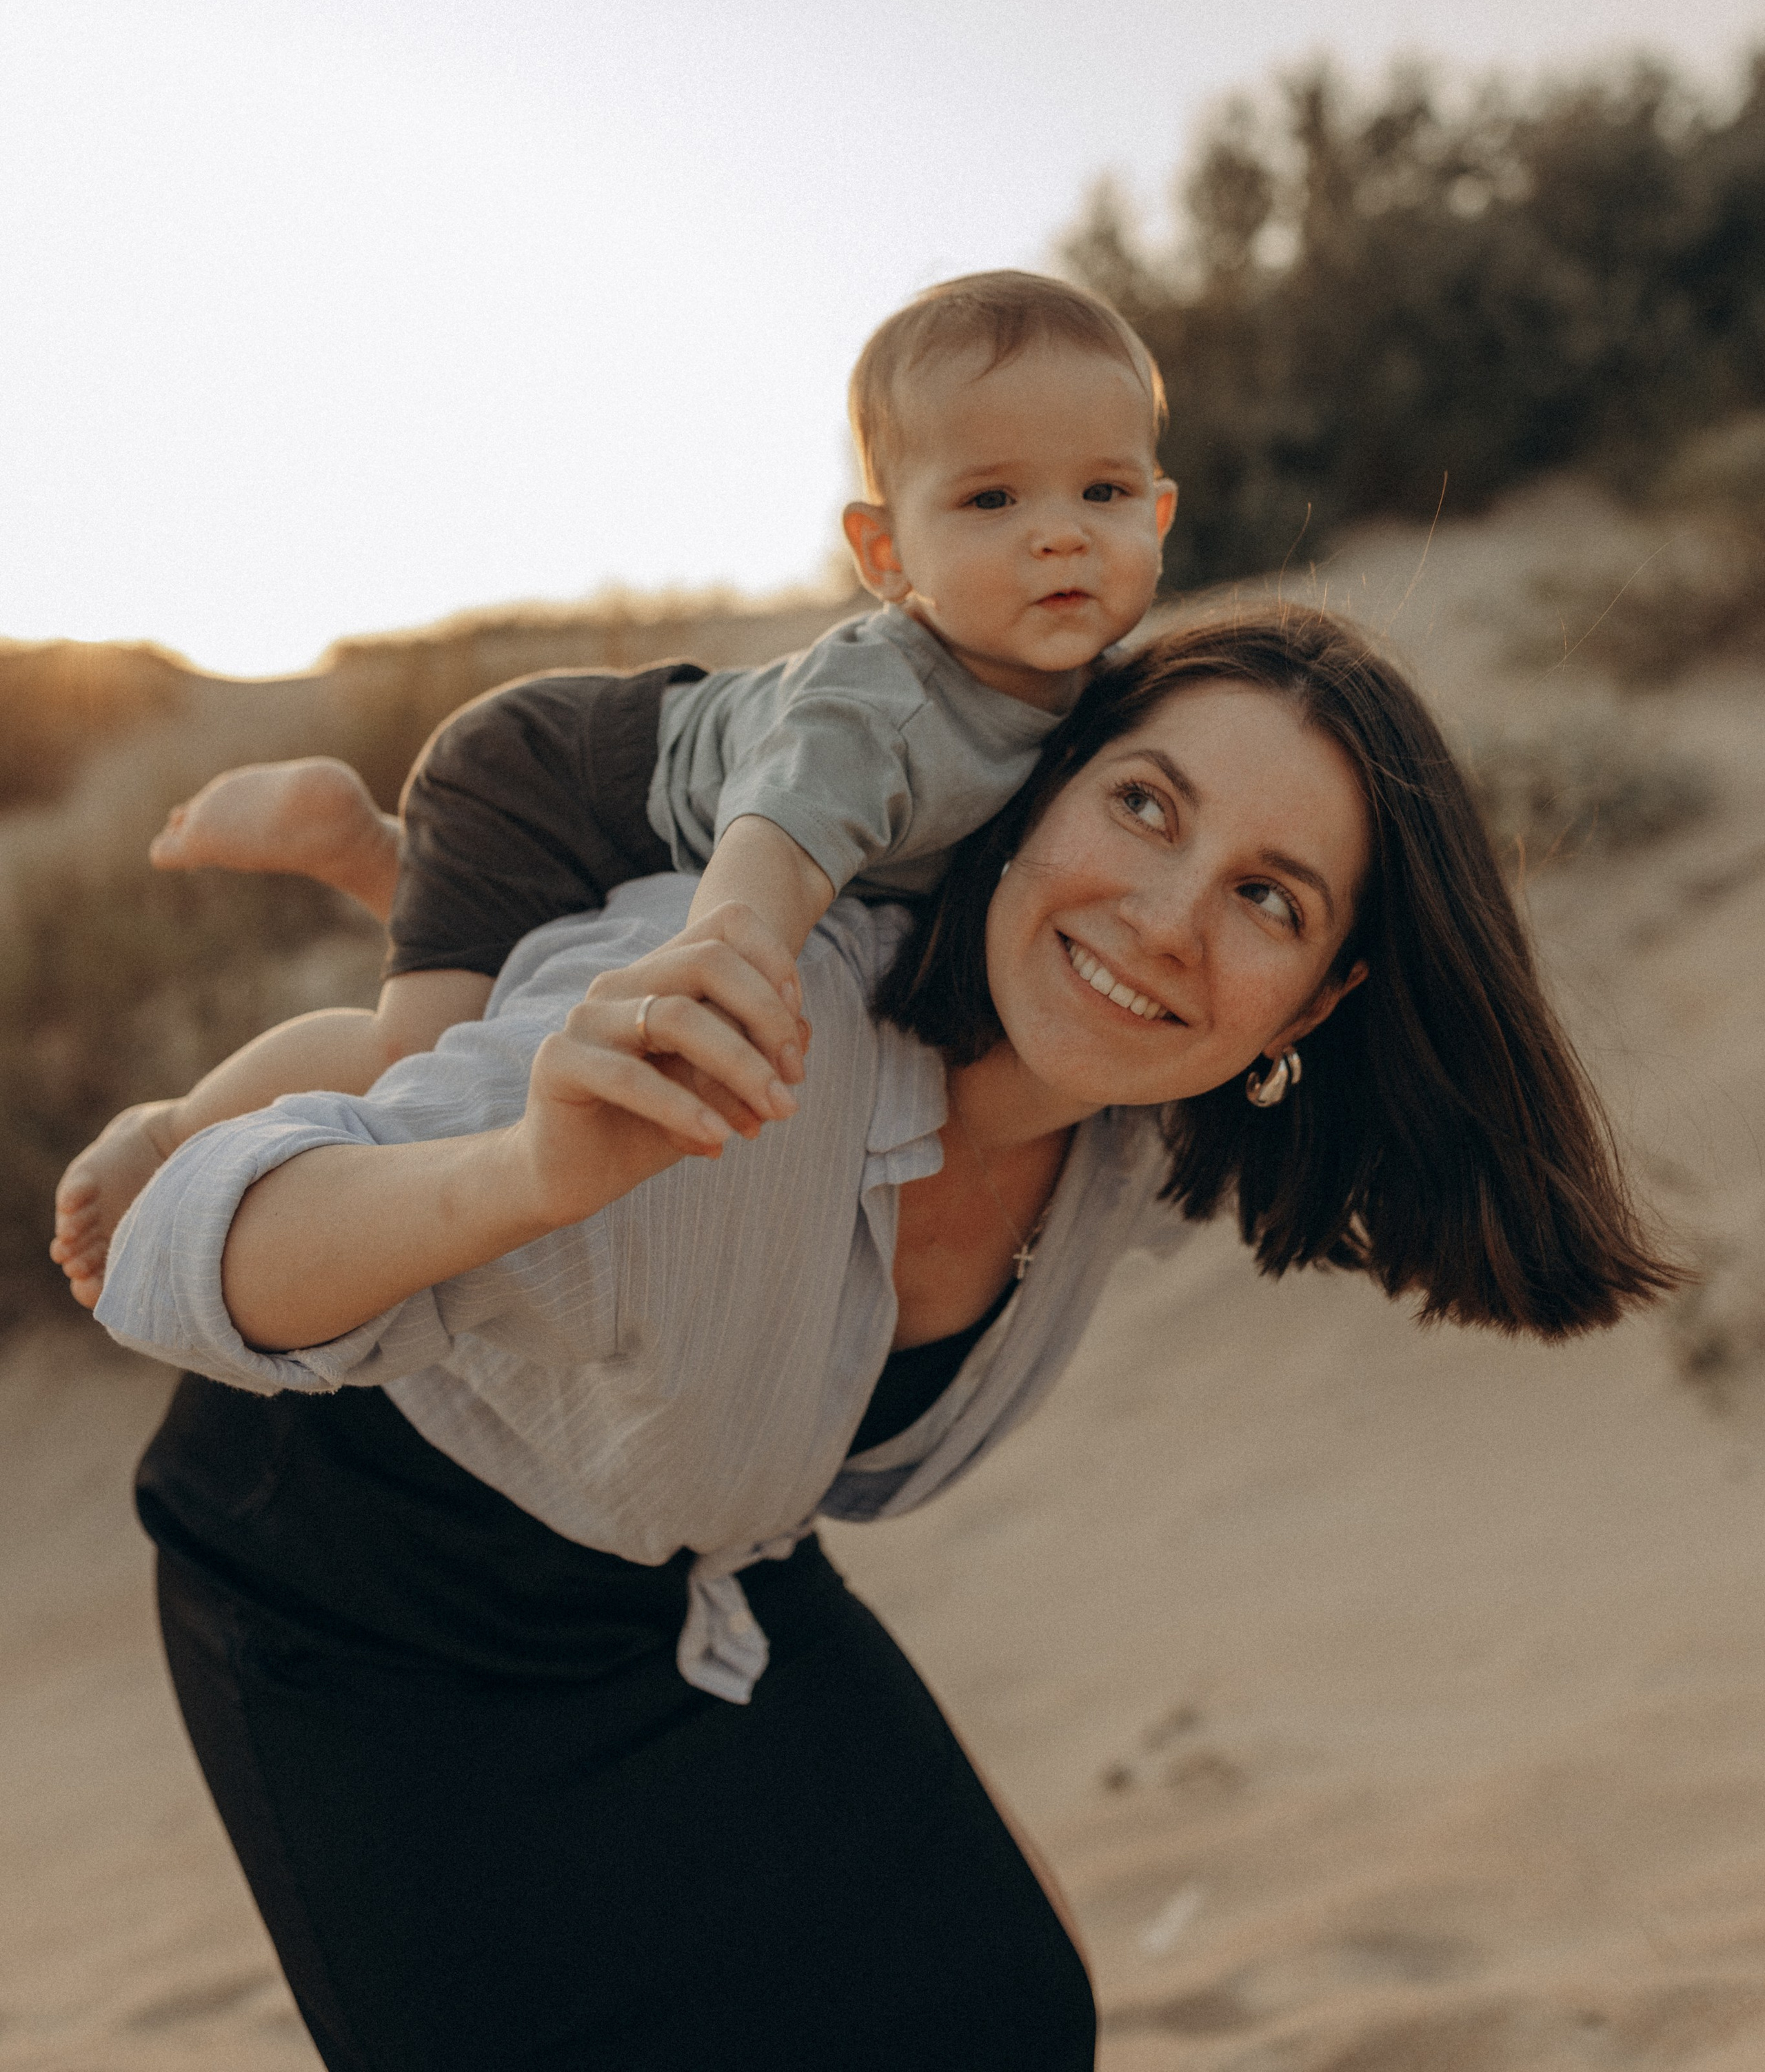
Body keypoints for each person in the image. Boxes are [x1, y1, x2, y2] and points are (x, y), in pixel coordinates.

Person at [93, 611, 1677, 2072]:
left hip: (695, 1562)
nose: (1168, 919)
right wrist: (527, 1172)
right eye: (1142, 806)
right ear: (1027, 802)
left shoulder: (1132, 1137)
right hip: (356, 1587)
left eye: (1266, 896)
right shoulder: (752, 1029)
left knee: (999, 2012)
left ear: (1309, 1009)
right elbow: (187, 1260)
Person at [52, 269, 1176, 1306]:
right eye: (992, 502)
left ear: (1159, 515)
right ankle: (172, 1127)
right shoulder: (878, 701)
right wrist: (730, 959)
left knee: (500, 964)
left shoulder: (1116, 691)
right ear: (884, 556)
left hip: (646, 781)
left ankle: (382, 859)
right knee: (428, 1049)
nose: (1060, 536)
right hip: (552, 787)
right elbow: (773, 843)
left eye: (1103, 490)